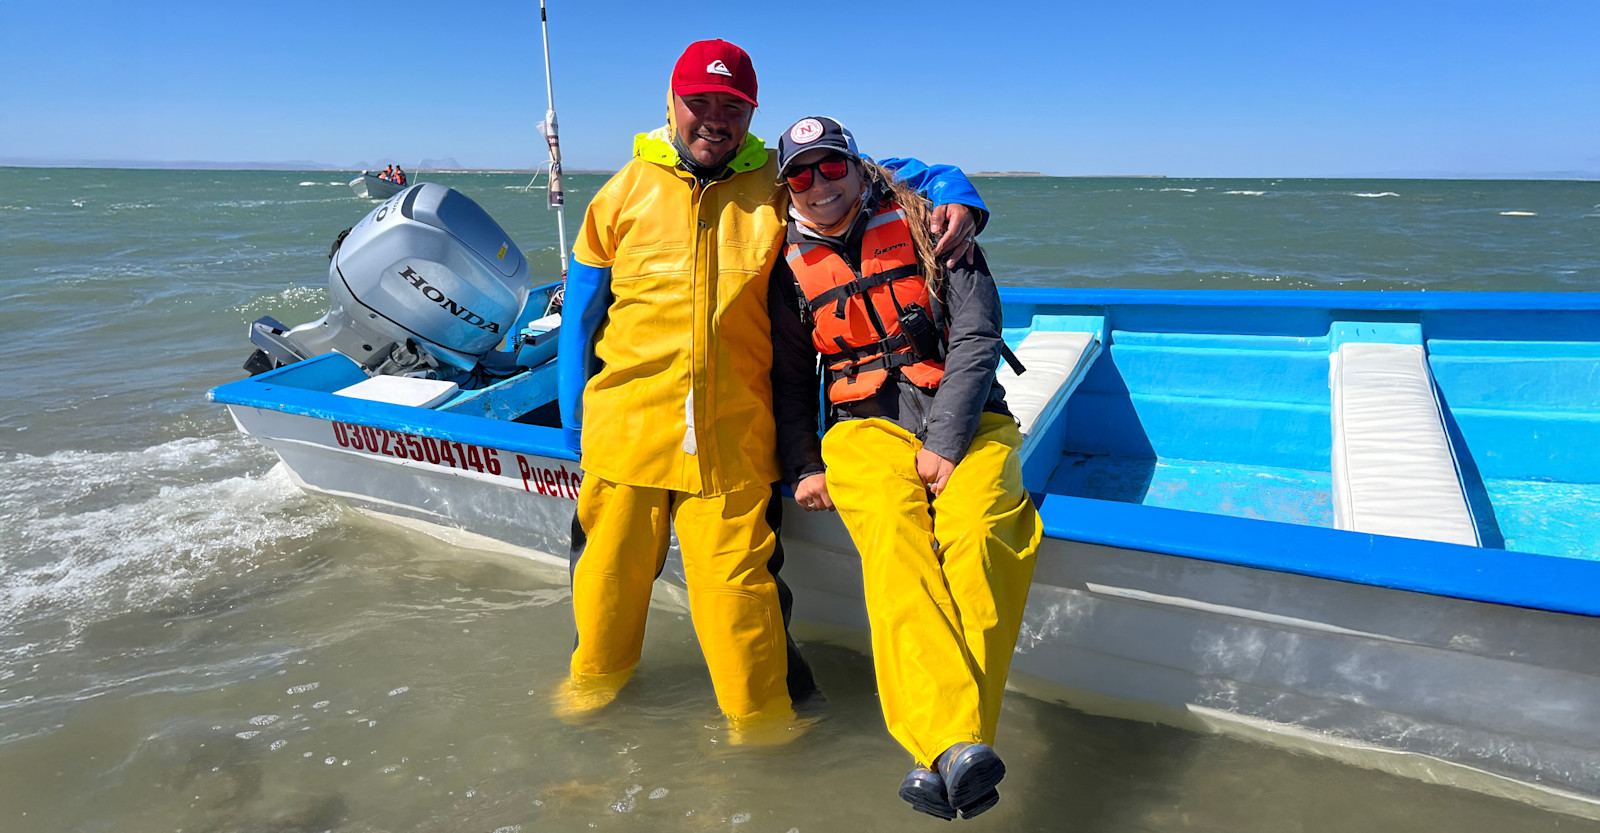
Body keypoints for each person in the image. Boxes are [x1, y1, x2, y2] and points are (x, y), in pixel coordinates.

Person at [556, 40, 988, 743]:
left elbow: (887, 175)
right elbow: (579, 319)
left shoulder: (778, 185)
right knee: (604, 602)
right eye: (699, 102)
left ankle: (770, 749)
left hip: (734, 449)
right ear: (671, 102)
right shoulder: (619, 195)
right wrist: (576, 430)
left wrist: (956, 190)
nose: (714, 118)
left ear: (752, 114)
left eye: (732, 106)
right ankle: (583, 723)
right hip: (623, 439)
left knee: (744, 629)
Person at [769, 117, 1040, 818]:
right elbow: (791, 379)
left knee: (981, 539)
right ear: (786, 186)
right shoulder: (785, 264)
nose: (820, 185)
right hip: (862, 429)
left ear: (860, 168)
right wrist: (802, 465)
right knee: (894, 541)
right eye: (801, 174)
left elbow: (978, 334)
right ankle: (959, 745)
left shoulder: (937, 225)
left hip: (967, 416)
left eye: (833, 166)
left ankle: (940, 751)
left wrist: (945, 440)